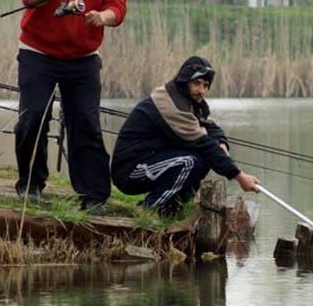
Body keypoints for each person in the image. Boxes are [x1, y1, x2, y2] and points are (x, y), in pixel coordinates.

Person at [14, 0, 126, 215]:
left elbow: (118, 7)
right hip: (38, 52)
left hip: (84, 57)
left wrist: (103, 17)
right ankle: (31, 186)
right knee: (32, 118)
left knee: (87, 125)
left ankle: (93, 197)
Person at [111, 55, 259, 216]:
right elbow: (205, 144)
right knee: (190, 162)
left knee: (202, 160)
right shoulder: (172, 104)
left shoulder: (189, 102)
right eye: (196, 83)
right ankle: (147, 209)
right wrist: (239, 176)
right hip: (130, 171)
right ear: (185, 81)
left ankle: (170, 211)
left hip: (153, 161)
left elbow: (209, 126)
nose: (201, 90)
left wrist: (221, 142)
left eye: (205, 85)